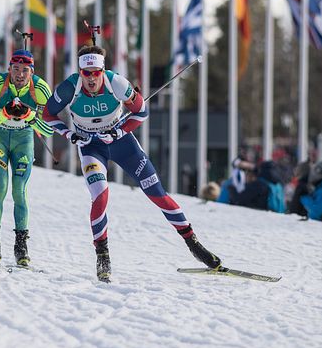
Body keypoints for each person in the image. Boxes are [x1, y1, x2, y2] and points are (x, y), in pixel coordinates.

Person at [42, 44, 221, 282]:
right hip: (91, 147)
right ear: (80, 72)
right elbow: (47, 115)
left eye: (96, 72)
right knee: (101, 195)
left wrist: (118, 133)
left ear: (103, 70)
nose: (92, 78)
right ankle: (102, 254)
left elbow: (141, 113)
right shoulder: (68, 88)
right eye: (87, 73)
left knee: (157, 193)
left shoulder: (116, 83)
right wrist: (68, 134)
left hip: (123, 144)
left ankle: (193, 243)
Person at [0, 49, 54, 266]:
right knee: (0, 186)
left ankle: (21, 246)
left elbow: (48, 131)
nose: (20, 75)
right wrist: (4, 113)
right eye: (16, 69)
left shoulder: (40, 89)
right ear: (9, 69)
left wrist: (29, 115)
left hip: (23, 139)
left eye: (25, 70)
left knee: (19, 190)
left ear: (32, 72)